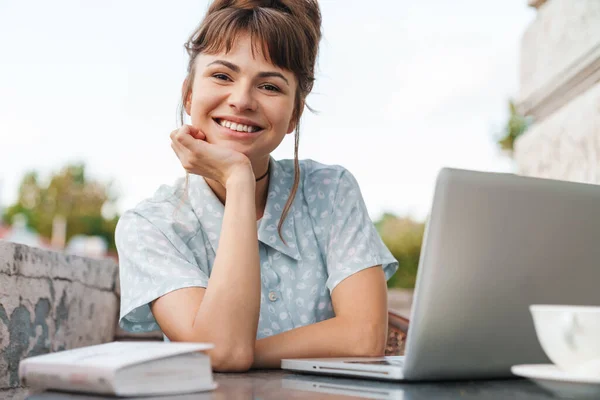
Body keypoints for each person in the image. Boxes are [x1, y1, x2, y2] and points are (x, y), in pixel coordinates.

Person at [115, 0, 399, 372]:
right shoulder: (150, 226)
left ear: (295, 112)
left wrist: (245, 351)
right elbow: (223, 353)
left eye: (269, 86)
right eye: (222, 76)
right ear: (188, 94)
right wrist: (237, 179)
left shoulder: (332, 191)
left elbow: (364, 338)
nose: (241, 100)